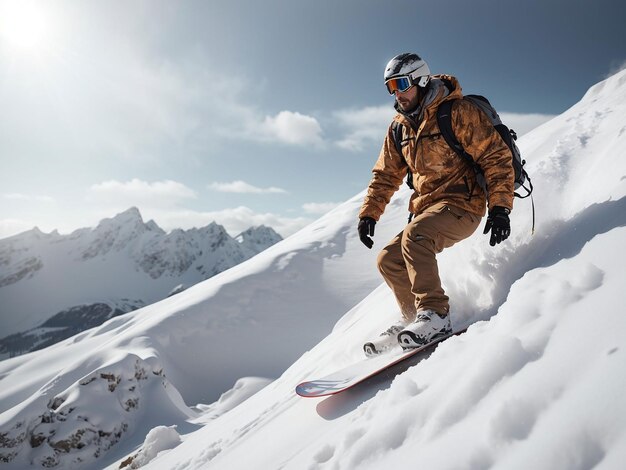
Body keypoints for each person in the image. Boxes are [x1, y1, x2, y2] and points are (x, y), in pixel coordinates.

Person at [358, 53, 514, 356]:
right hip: (427, 209)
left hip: (464, 204)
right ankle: (413, 319)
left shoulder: (457, 112)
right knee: (388, 260)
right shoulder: (399, 128)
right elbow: (385, 174)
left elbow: (495, 158)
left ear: (421, 79)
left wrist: (500, 208)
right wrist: (369, 214)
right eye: (391, 86)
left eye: (401, 84)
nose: (397, 93)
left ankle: (435, 316)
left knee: (416, 236)